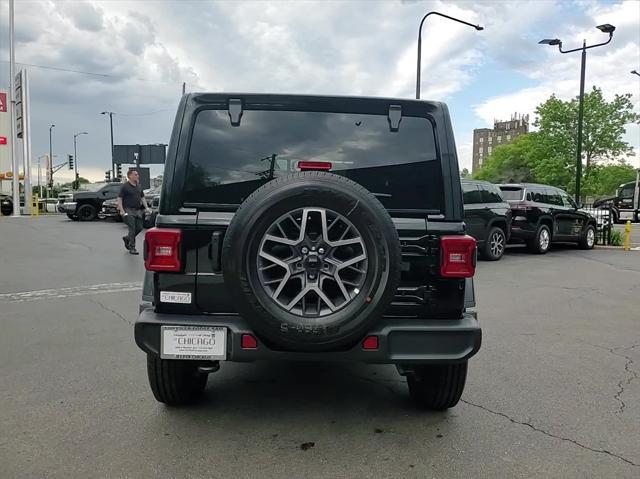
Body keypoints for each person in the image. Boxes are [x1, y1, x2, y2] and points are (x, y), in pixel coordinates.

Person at [117, 169, 151, 255]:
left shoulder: (139, 186)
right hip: (128, 209)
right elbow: (119, 198)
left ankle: (127, 238)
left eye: (137, 174)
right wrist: (121, 210)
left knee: (139, 227)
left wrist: (147, 208)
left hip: (137, 210)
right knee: (132, 228)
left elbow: (142, 197)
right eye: (135, 174)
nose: (137, 176)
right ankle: (132, 247)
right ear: (130, 176)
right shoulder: (125, 186)